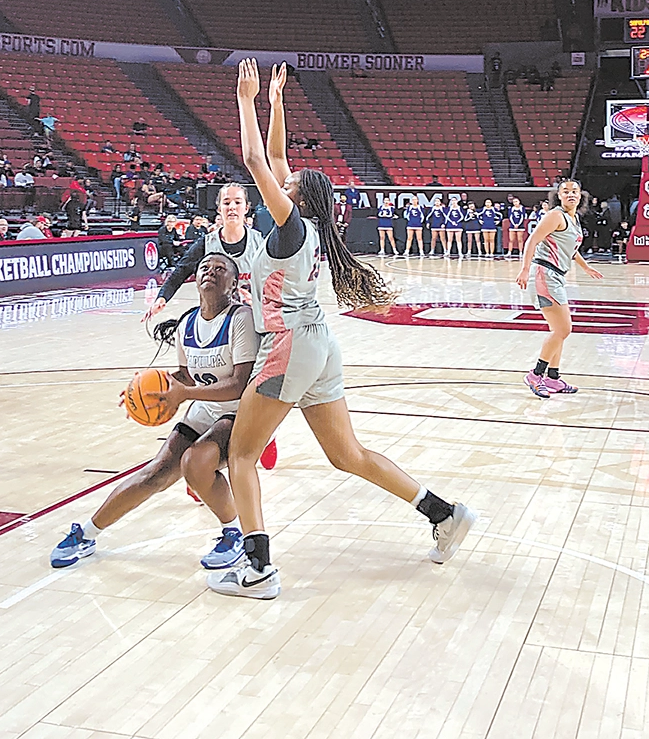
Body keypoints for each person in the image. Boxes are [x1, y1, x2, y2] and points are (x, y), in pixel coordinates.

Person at [206, 61, 475, 601]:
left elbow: (259, 159)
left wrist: (245, 99)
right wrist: (278, 104)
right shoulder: (301, 223)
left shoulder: (288, 225)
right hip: (318, 344)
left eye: (290, 184)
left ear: (297, 198)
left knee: (240, 453)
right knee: (346, 454)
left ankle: (257, 568)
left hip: (289, 346)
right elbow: (278, 159)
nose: (282, 179)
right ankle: (443, 513)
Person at [50, 253, 261, 571]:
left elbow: (238, 384)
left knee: (196, 462)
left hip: (242, 410)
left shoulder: (241, 318)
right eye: (205, 267)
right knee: (156, 472)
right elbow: (186, 376)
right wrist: (146, 390)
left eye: (220, 269)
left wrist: (185, 394)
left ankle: (233, 534)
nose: (210, 272)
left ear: (234, 282)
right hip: (206, 406)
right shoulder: (187, 323)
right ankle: (87, 534)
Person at [517, 179, 603, 399]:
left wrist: (586, 267)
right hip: (544, 273)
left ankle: (553, 378)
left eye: (575, 191)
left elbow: (571, 250)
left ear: (580, 195)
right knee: (563, 329)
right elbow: (533, 240)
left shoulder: (573, 219)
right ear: (559, 195)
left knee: (559, 331)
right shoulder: (555, 215)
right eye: (566, 191)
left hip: (556, 276)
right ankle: (536, 375)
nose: (571, 194)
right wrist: (525, 269)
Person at [144, 184, 265, 321]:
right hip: (215, 320)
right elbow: (179, 273)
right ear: (219, 209)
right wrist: (162, 297)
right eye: (226, 203)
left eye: (237, 202)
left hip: (252, 318)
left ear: (246, 208)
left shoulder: (260, 242)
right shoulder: (206, 244)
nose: (232, 207)